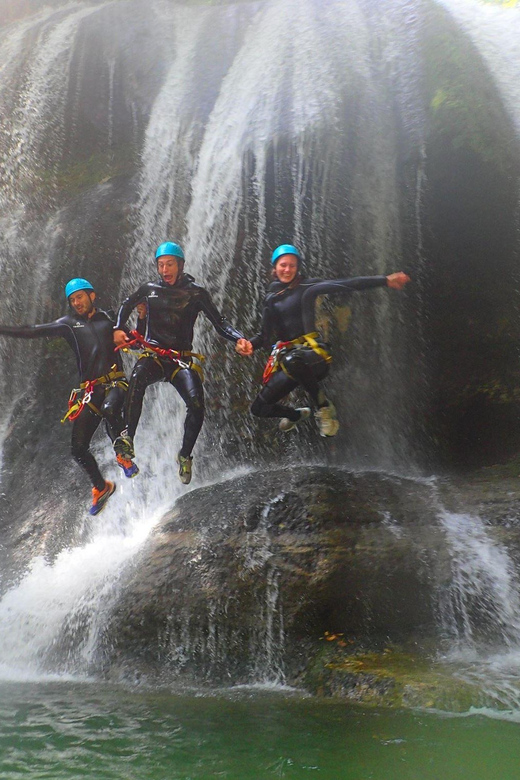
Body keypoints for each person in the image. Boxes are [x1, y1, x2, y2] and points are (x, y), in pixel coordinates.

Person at [235, 245, 410, 436]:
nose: (287, 270)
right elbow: (265, 335)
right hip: (289, 360)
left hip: (314, 357)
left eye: (292, 266)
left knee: (293, 360)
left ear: (298, 267)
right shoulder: (271, 298)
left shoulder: (308, 287)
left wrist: (384, 280)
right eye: (283, 265)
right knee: (259, 408)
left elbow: (347, 283)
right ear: (274, 268)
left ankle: (324, 409)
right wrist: (249, 343)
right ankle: (295, 415)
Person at [113, 242, 248, 485]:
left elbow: (220, 322)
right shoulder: (149, 289)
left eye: (170, 264)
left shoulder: (196, 293)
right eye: (161, 265)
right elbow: (126, 304)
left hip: (180, 360)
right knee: (136, 378)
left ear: (181, 265)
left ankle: (185, 455)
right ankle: (127, 439)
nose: (165, 269)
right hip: (154, 357)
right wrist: (118, 328)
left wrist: (239, 338)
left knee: (196, 404)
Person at [0, 278, 138, 515]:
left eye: (80, 297)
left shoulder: (110, 318)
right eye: (72, 300)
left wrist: (133, 329)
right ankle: (101, 487)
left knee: (110, 408)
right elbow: (32, 331)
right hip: (90, 390)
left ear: (91, 295)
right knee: (78, 448)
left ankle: (123, 454)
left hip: (116, 382)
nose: (77, 303)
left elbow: (134, 343)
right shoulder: (67, 324)